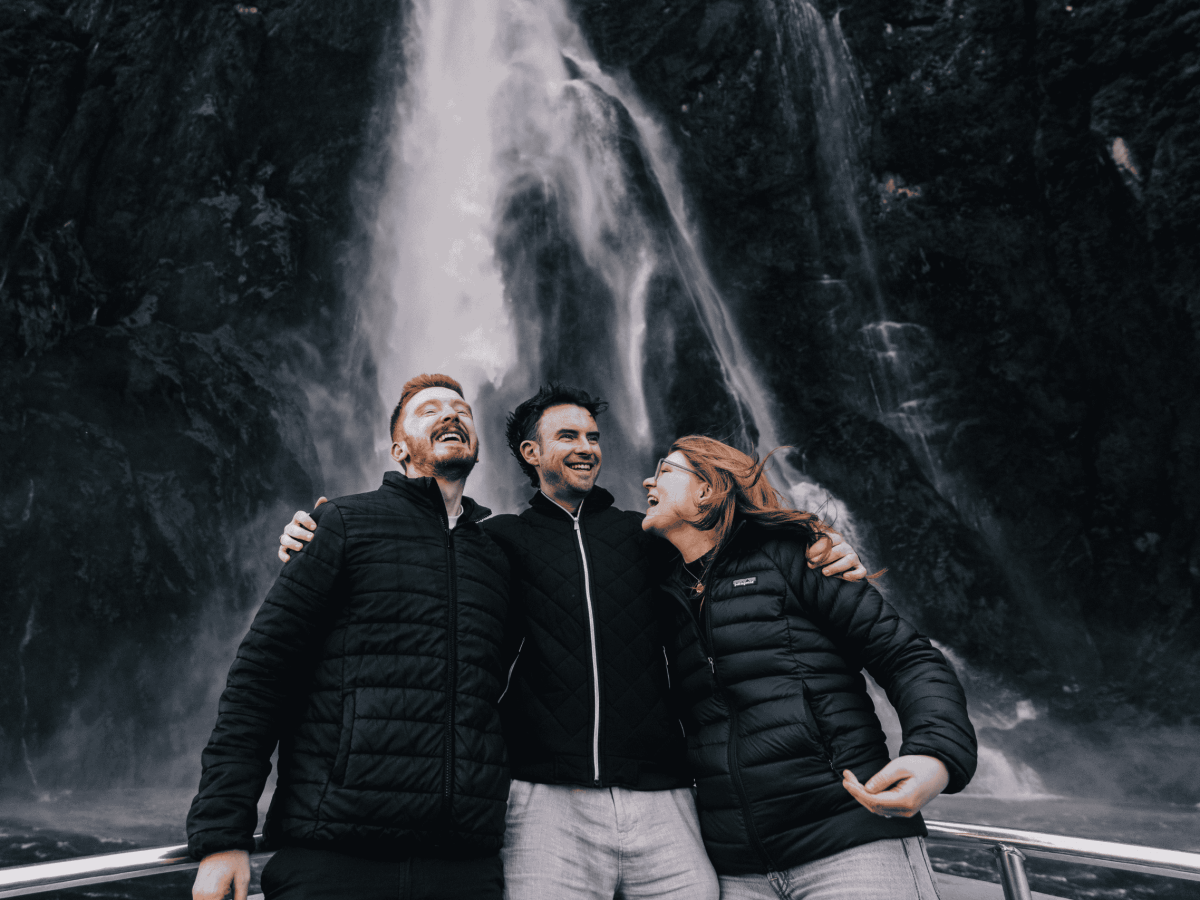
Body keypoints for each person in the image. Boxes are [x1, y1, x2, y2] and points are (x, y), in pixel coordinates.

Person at [278, 384, 867, 900]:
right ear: (531, 454)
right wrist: (318, 527)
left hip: (662, 791)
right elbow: (427, 546)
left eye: (593, 435)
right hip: (543, 796)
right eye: (568, 435)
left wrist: (816, 543)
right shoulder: (496, 540)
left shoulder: (648, 536)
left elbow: (728, 547)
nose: (588, 446)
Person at [187, 374, 511, 900]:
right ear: (398, 447)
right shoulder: (343, 523)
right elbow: (261, 678)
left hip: (462, 865)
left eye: (462, 409)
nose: (452, 414)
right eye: (429, 410)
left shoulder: (496, 556)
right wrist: (222, 836)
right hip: (334, 856)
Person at [641, 435, 978, 900]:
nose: (646, 480)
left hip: (850, 843)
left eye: (664, 470)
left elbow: (907, 657)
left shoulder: (794, 558)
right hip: (736, 870)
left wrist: (936, 754)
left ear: (707, 490)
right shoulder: (661, 591)